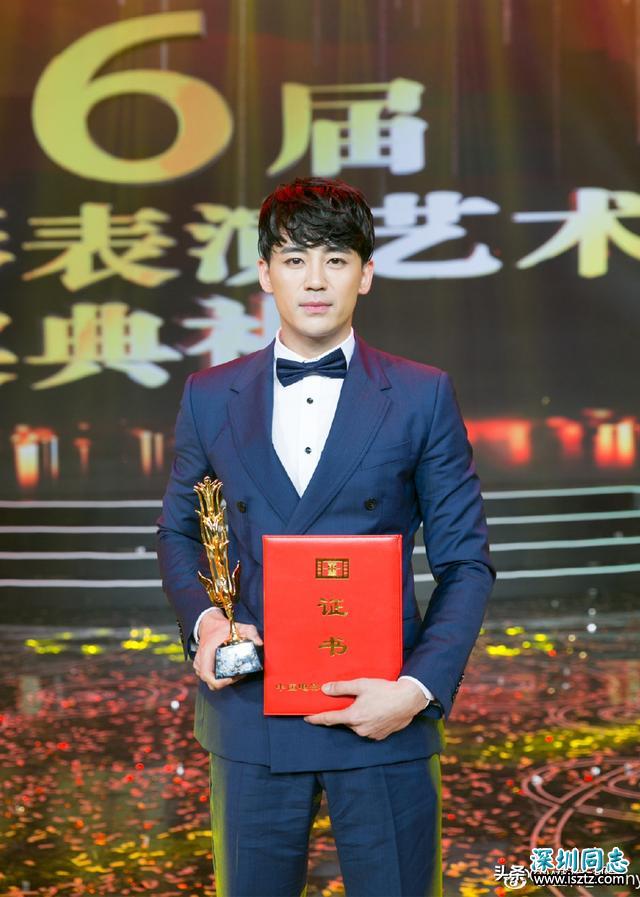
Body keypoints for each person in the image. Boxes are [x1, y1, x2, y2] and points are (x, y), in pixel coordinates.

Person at [157, 176, 495, 897]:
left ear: (366, 274)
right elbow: (179, 533)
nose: (315, 280)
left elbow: (466, 562)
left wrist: (417, 689)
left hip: (382, 712)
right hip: (250, 711)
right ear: (265, 273)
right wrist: (206, 622)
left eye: (336, 259)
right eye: (295, 259)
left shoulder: (421, 393)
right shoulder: (210, 395)